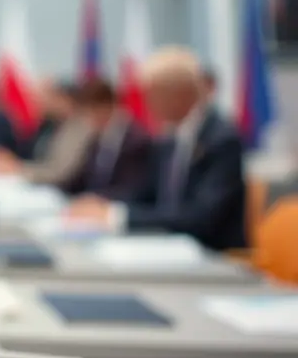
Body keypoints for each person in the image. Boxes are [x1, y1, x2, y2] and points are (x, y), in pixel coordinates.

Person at [66, 46, 246, 251]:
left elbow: (201, 217)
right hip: (170, 245)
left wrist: (117, 216)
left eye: (152, 94)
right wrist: (103, 204)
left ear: (180, 94)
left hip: (213, 255)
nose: (146, 103)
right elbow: (147, 192)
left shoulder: (221, 140)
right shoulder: (169, 138)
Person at [56, 79, 153, 199]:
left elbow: (132, 189)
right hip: (91, 207)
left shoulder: (135, 140)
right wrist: (56, 191)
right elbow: (81, 179)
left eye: (91, 112)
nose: (88, 120)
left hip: (113, 208)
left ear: (108, 106)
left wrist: (95, 199)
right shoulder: (97, 137)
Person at [0, 81, 94, 187]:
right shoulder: (49, 125)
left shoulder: (77, 128)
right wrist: (10, 159)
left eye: (47, 97)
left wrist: (18, 168)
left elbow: (59, 173)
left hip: (61, 195)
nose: (40, 102)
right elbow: (32, 156)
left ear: (64, 99)